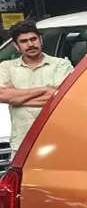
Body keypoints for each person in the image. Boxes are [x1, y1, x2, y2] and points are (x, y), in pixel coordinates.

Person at [0, 20, 72, 152]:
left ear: (41, 40)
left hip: (56, 141)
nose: (30, 44)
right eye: (24, 41)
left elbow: (61, 98)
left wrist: (16, 97)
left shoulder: (61, 65)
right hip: (22, 144)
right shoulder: (6, 67)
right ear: (16, 46)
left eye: (33, 39)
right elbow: (2, 95)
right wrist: (45, 90)